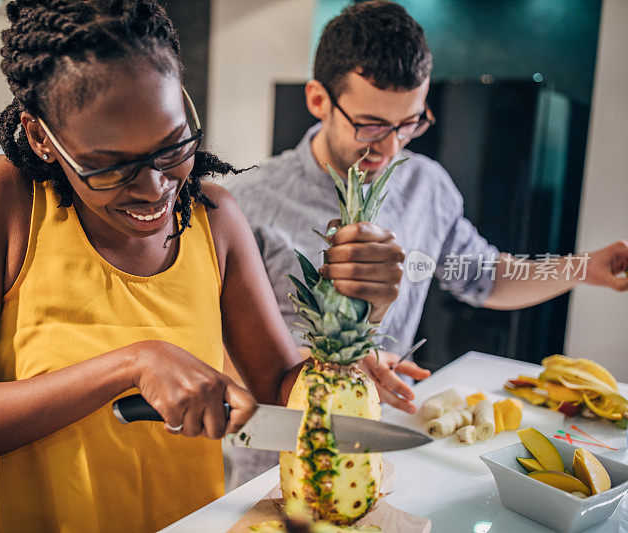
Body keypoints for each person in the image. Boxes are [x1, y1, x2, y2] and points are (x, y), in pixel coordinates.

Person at [0, 1, 402, 532]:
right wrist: (131, 364)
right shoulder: (4, 200)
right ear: (42, 137)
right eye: (110, 166)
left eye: (173, 145)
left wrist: (361, 310)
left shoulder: (216, 219)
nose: (155, 187)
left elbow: (281, 389)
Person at [224, 0, 628, 486]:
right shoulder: (247, 203)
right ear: (318, 100)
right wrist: (336, 367)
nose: (392, 147)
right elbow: (216, 354)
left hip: (382, 448)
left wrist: (586, 268)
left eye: (410, 123)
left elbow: (483, 276)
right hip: (274, 465)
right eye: (371, 124)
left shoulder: (426, 185)